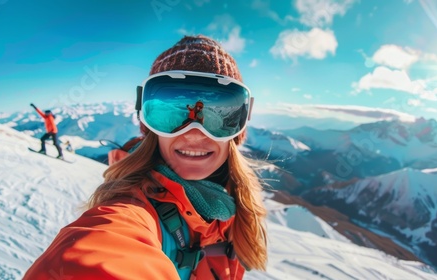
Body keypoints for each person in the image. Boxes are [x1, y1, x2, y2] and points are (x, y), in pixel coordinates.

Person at [24, 35, 267, 279]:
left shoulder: (231, 213)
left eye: (222, 114)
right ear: (149, 127)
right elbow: (106, 250)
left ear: (238, 129)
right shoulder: (130, 211)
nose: (193, 135)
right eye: (170, 116)